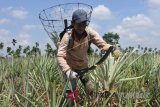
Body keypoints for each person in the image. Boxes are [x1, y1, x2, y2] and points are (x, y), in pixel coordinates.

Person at [57, 9, 121, 106]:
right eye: (79, 24)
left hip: (83, 67)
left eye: (84, 24)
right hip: (71, 69)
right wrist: (67, 71)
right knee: (70, 94)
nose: (81, 27)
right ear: (73, 23)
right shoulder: (67, 37)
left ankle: (93, 103)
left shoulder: (90, 32)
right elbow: (60, 56)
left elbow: (102, 44)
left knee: (90, 89)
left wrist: (112, 48)